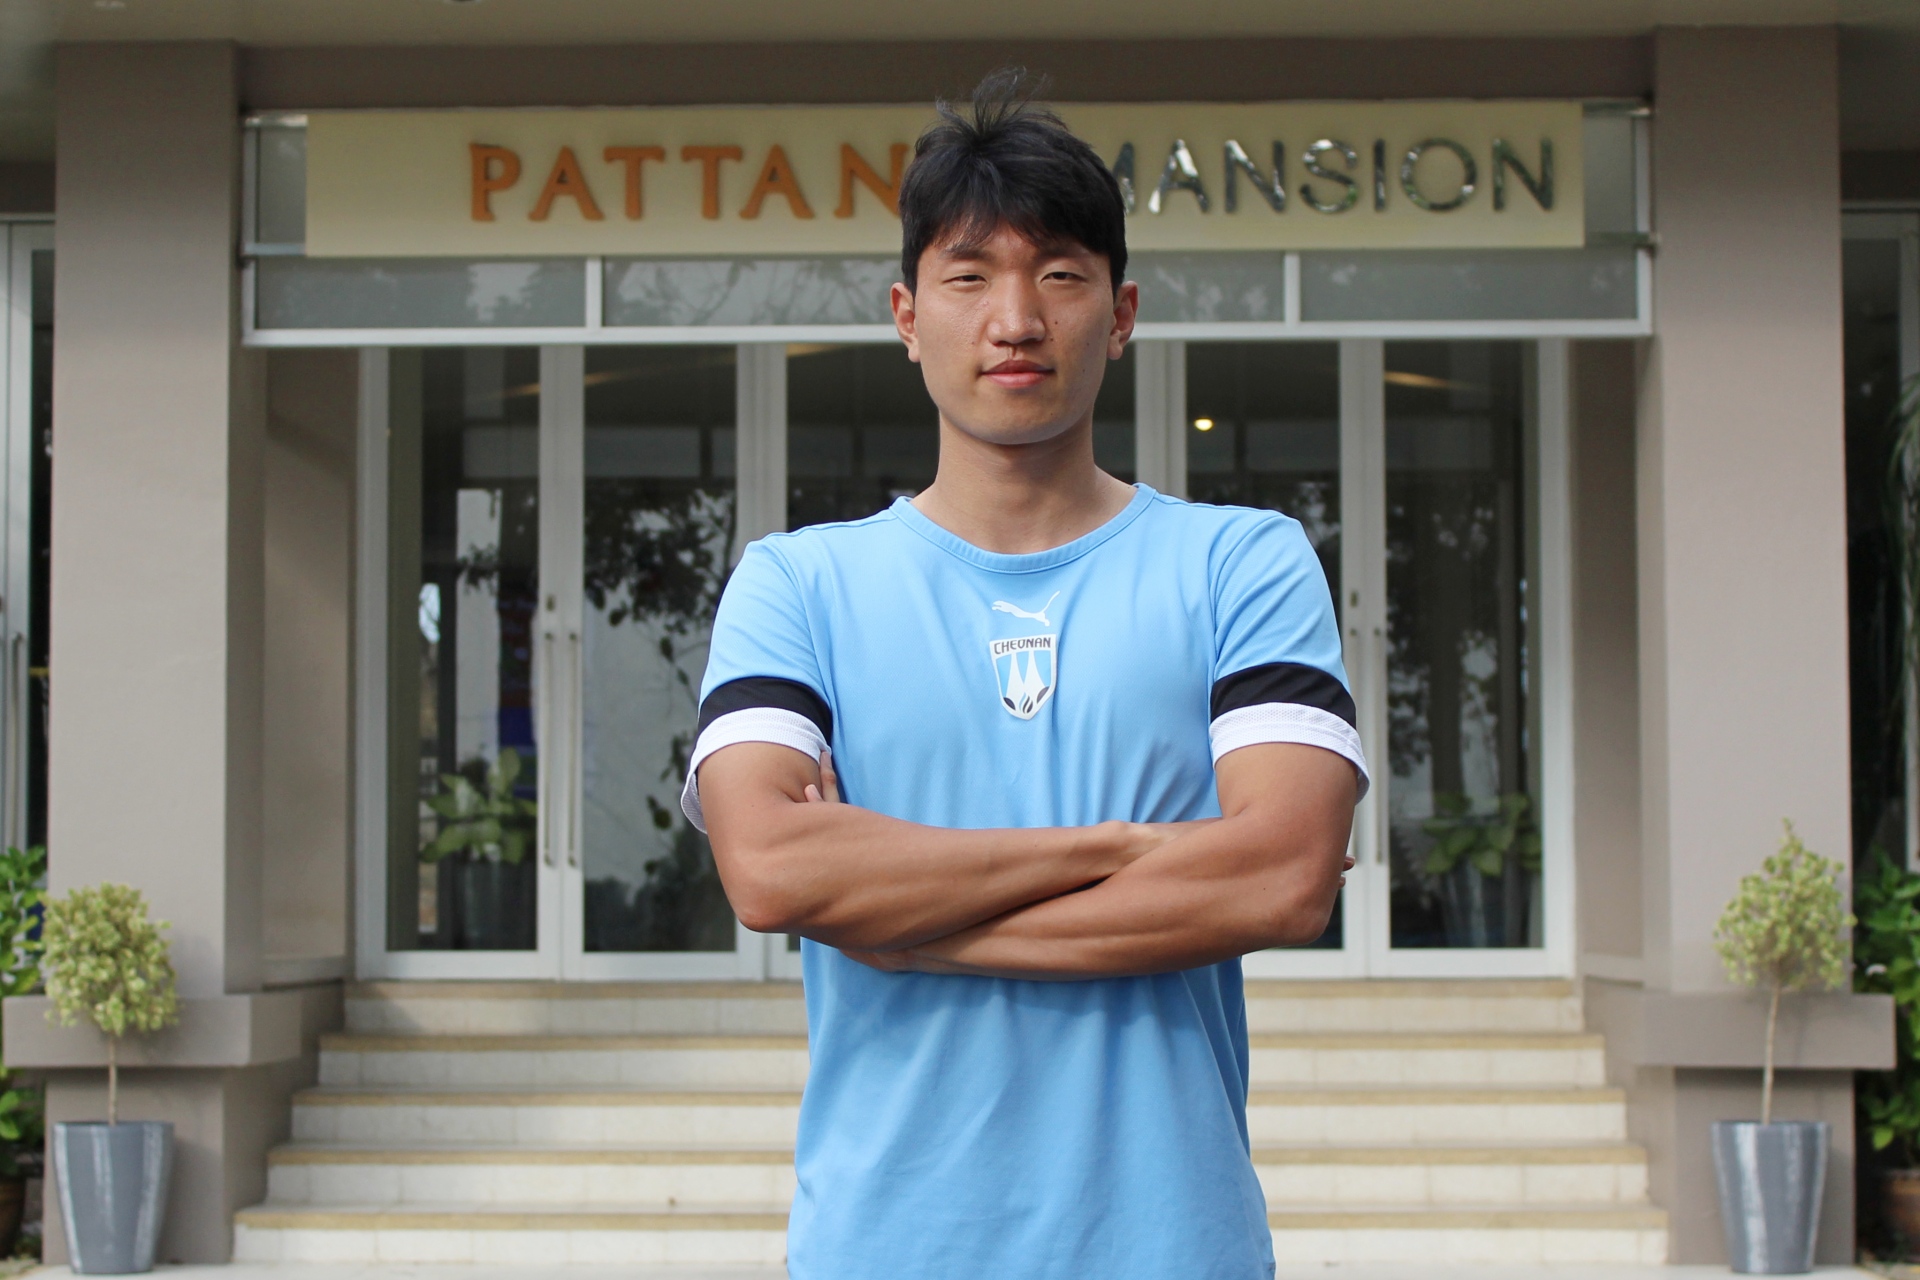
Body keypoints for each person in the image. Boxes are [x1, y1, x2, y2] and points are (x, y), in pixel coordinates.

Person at [680, 70, 1368, 1280]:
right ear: (906, 315)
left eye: (1059, 274)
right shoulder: (798, 583)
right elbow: (774, 869)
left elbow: (1283, 875)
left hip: (1173, 1247)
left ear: (1122, 312)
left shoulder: (1240, 562)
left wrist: (907, 925)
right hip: (887, 1248)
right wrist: (1129, 846)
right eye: (969, 276)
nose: (1016, 318)